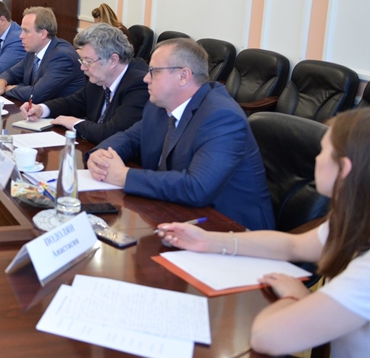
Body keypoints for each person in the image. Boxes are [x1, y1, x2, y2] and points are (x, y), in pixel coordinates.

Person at [158, 108, 370, 358]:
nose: (316, 158)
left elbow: (265, 337)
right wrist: (209, 241)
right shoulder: (355, 219)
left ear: (344, 169)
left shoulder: (365, 272)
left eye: (323, 150)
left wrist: (294, 296)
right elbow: (294, 245)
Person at [87, 38, 274, 230]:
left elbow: (197, 188)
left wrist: (124, 176)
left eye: (154, 71)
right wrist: (101, 155)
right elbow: (131, 138)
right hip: (176, 212)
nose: (146, 78)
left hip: (231, 228)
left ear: (183, 76)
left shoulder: (222, 117)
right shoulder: (159, 104)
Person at [19, 22, 149, 143]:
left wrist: (75, 123)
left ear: (113, 60)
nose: (82, 67)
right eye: (82, 61)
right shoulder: (100, 77)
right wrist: (41, 109)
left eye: (88, 61)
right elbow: (74, 103)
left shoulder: (140, 84)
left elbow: (112, 132)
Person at [0, 7, 84, 103]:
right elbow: (11, 73)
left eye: (26, 31)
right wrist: (1, 83)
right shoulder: (34, 50)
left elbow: (36, 94)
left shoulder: (62, 57)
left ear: (43, 34)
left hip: (61, 114)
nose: (21, 36)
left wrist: (8, 89)